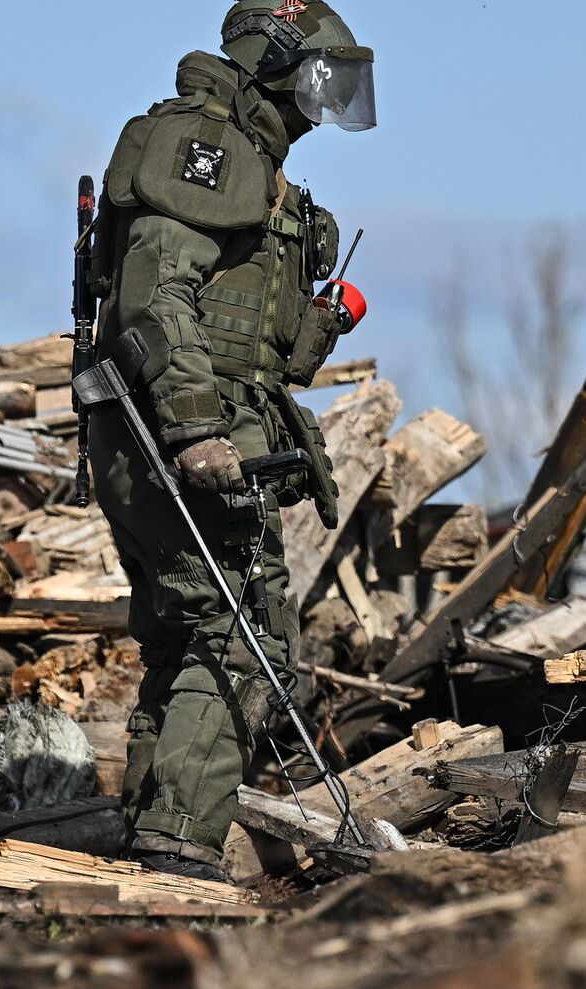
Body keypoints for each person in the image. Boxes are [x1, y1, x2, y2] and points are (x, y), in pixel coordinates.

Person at [84, 1, 375, 882]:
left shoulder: (249, 161)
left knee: (188, 636)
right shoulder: (207, 146)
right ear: (272, 64)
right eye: (318, 80)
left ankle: (149, 840)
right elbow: (155, 297)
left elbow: (247, 335)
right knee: (245, 635)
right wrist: (197, 428)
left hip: (174, 431)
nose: (324, 104)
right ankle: (177, 851)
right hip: (175, 436)